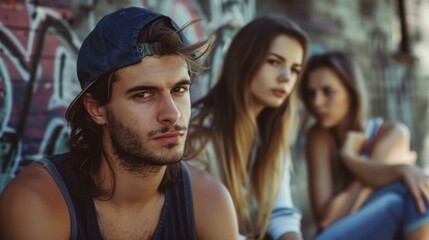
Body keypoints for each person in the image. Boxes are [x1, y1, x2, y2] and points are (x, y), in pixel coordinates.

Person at [0, 7, 239, 240]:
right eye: (143, 94)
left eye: (179, 89)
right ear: (96, 109)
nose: (172, 114)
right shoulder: (38, 202)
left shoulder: (208, 201)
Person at [185, 15, 309, 240]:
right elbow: (197, 225)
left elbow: (281, 213)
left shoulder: (272, 133)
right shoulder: (198, 131)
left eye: (294, 69)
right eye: (274, 61)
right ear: (245, 60)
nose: (285, 77)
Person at [298, 51, 429, 239]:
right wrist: (395, 170)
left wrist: (351, 158)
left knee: (416, 193)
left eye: (328, 92)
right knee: (407, 193)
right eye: (311, 94)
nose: (317, 102)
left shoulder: (393, 134)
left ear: (351, 92)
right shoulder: (319, 136)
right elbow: (327, 219)